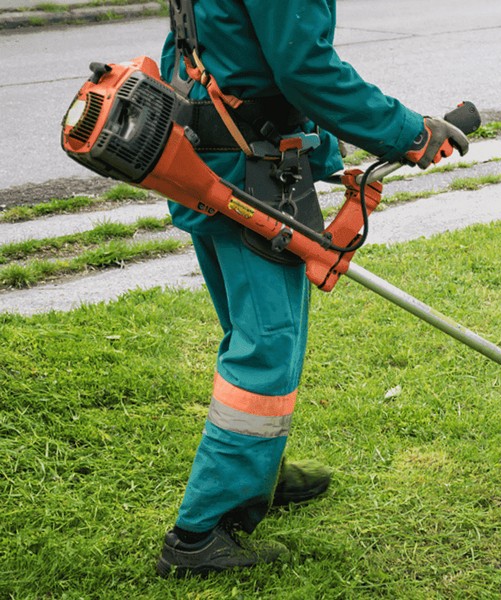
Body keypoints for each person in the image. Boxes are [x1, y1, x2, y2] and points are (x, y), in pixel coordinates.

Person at [154, 0, 469, 578]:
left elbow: (214, 52)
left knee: (257, 335)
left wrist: (322, 153)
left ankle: (257, 475)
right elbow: (305, 68)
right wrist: (409, 132)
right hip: (248, 173)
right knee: (266, 350)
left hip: (212, 158)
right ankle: (200, 535)